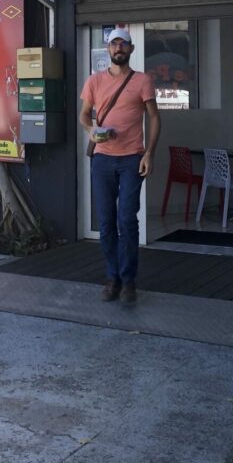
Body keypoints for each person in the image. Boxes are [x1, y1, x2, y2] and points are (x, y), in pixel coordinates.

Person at [79, 28, 161, 305]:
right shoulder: (94, 80)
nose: (118, 49)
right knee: (105, 222)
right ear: (108, 50)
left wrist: (149, 153)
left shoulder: (142, 81)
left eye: (123, 44)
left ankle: (129, 281)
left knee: (127, 218)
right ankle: (112, 277)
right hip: (102, 158)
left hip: (131, 159)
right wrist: (91, 130)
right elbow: (84, 114)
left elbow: (155, 118)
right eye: (114, 44)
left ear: (131, 49)